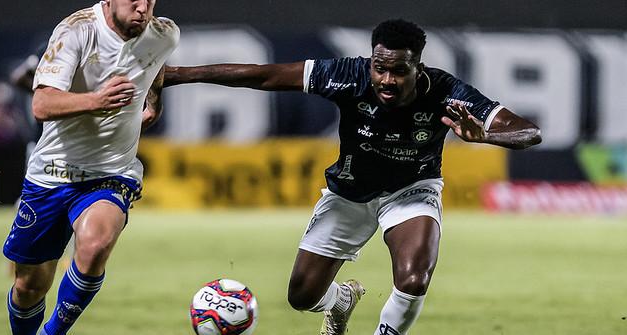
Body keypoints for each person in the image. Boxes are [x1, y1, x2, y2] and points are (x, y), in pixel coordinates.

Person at [163, 19, 541, 335]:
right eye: (380, 67)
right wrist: (176, 75)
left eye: (399, 70)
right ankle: (340, 300)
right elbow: (266, 76)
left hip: (411, 191)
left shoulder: (447, 92)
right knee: (302, 297)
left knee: (413, 279)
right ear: (371, 59)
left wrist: (486, 135)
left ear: (418, 67)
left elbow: (529, 132)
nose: (387, 79)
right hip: (348, 193)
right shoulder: (349, 75)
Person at [1, 0, 178, 335]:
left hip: (111, 173)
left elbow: (156, 66)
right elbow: (42, 105)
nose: (143, 7)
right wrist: (97, 101)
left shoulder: (164, 34)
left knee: (96, 244)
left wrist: (155, 98)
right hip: (52, 173)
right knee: (30, 286)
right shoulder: (76, 30)